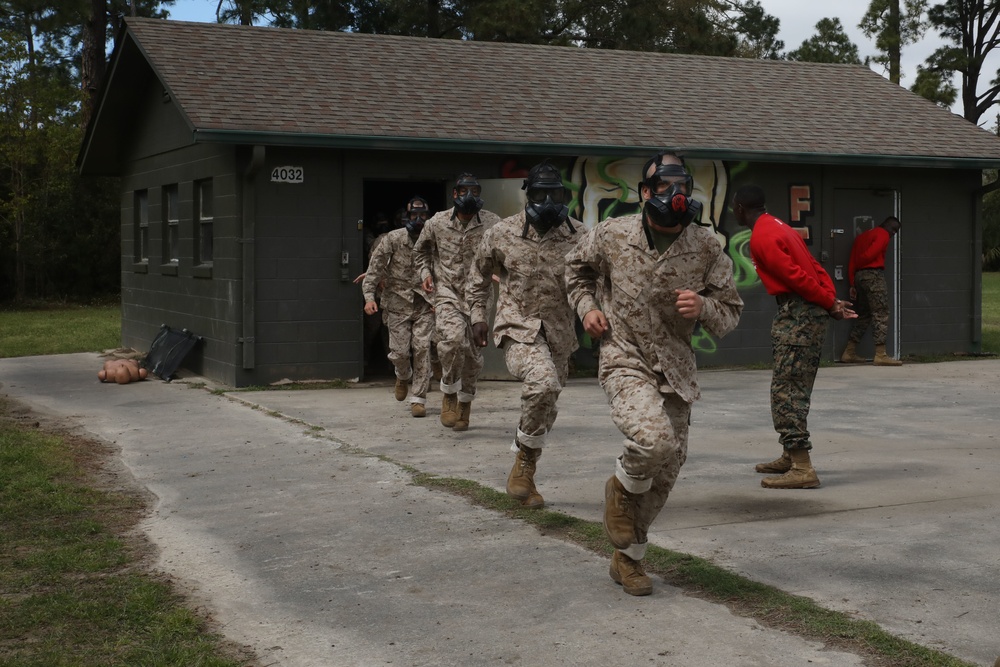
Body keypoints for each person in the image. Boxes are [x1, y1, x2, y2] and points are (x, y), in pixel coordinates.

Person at [566, 152, 743, 596]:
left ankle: (628, 559)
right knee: (653, 441)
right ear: (645, 193)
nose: (677, 196)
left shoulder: (706, 246)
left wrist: (704, 307)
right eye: (665, 187)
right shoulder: (612, 234)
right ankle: (620, 489)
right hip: (625, 357)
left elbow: (730, 313)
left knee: (666, 472)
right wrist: (587, 308)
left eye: (683, 187)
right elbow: (575, 271)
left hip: (676, 370)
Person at [468, 161, 582, 509]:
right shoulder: (501, 233)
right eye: (539, 193)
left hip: (560, 333)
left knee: (546, 406)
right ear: (527, 195)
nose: (548, 201)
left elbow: (601, 280)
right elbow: (479, 275)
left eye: (555, 193)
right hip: (518, 326)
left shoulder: (581, 236)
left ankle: (524, 471)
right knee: (543, 382)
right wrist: (477, 315)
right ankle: (525, 465)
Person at [732, 185, 856, 491]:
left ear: (739, 209)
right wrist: (831, 300)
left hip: (798, 314)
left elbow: (796, 277)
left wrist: (829, 304)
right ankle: (790, 455)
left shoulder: (762, 236)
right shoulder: (779, 226)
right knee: (793, 384)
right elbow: (814, 267)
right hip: (804, 311)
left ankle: (802, 467)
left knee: (787, 391)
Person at [414, 173, 501, 431]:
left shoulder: (492, 223)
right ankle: (450, 393)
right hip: (448, 292)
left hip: (480, 295)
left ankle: (465, 404)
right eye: (464, 191)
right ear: (455, 194)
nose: (470, 196)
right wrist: (425, 273)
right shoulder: (437, 222)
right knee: (451, 341)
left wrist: (503, 271)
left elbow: (509, 250)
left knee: (473, 355)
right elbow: (421, 251)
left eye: (475, 191)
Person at [362, 197, 435, 417]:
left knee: (423, 349)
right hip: (397, 303)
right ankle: (403, 376)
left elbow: (446, 269)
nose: (419, 220)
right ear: (407, 216)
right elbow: (374, 269)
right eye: (414, 215)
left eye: (423, 215)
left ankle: (418, 398)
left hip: (425, 304)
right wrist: (369, 297)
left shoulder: (434, 240)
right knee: (400, 352)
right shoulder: (392, 239)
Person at [840, 216, 903, 366]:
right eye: (894, 230)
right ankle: (880, 354)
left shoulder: (862, 236)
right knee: (880, 313)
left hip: (859, 277)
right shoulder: (882, 234)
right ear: (887, 226)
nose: (893, 234)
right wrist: (865, 262)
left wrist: (852, 283)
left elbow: (852, 261)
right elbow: (869, 255)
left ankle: (849, 352)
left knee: (864, 315)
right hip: (873, 276)